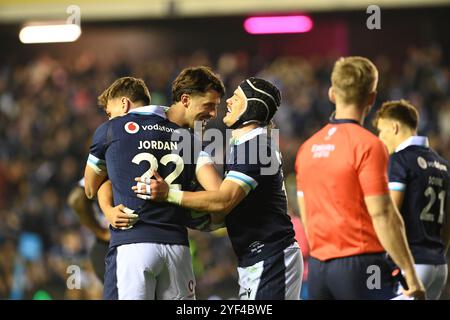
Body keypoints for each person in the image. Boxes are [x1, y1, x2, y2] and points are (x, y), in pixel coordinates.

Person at [136, 77, 303, 300]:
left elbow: (223, 200)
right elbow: (228, 209)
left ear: (251, 107)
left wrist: (169, 194)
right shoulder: (245, 145)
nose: (229, 102)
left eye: (237, 97)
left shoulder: (256, 147)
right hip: (259, 258)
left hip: (271, 258)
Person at [84, 69, 226, 300]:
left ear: (124, 104)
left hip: (132, 245)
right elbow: (219, 194)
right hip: (178, 249)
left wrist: (108, 209)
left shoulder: (111, 130)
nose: (110, 118)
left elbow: (90, 188)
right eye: (210, 105)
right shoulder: (189, 138)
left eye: (110, 113)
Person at [295, 56, 425, 300]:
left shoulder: (307, 148)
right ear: (372, 98)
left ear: (332, 93)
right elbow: (382, 214)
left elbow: (307, 216)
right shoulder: (369, 146)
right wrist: (411, 274)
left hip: (319, 269)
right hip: (361, 267)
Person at [374, 99, 449, 299]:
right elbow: (448, 221)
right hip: (439, 267)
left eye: (382, 131)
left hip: (412, 264)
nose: (380, 138)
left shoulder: (400, 161)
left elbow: (391, 214)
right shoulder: (442, 164)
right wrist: (438, 252)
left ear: (395, 127)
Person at [67, 179, 110, 283]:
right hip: (108, 240)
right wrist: (101, 232)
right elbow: (76, 200)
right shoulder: (105, 167)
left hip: (115, 237)